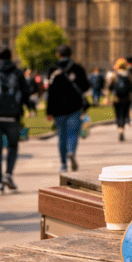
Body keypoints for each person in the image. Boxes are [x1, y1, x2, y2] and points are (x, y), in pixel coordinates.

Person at [0, 45, 27, 195]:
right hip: (12, 117)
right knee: (13, 147)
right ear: (11, 56)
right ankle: (8, 174)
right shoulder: (17, 72)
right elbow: (26, 92)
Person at [45, 44, 90, 172]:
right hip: (74, 106)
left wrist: (49, 111)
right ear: (71, 55)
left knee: (61, 136)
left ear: (58, 55)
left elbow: (50, 93)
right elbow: (86, 87)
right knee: (73, 134)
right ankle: (71, 152)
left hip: (58, 109)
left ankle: (63, 163)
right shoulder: (78, 68)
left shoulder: (53, 70)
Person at [106, 58, 132, 142]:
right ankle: (122, 128)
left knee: (118, 114)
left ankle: (119, 128)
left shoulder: (114, 75)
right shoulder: (128, 75)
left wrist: (107, 98)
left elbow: (109, 87)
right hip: (126, 98)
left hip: (116, 98)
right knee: (124, 114)